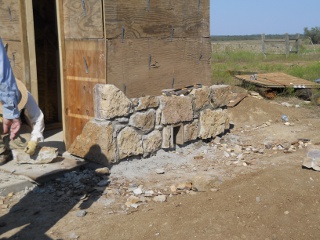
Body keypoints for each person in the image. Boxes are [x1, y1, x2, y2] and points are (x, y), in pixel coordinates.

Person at [0, 38, 44, 165]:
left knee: (26, 142)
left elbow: (38, 117)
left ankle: (10, 145)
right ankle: (3, 152)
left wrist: (34, 140)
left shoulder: (25, 96)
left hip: (15, 129)